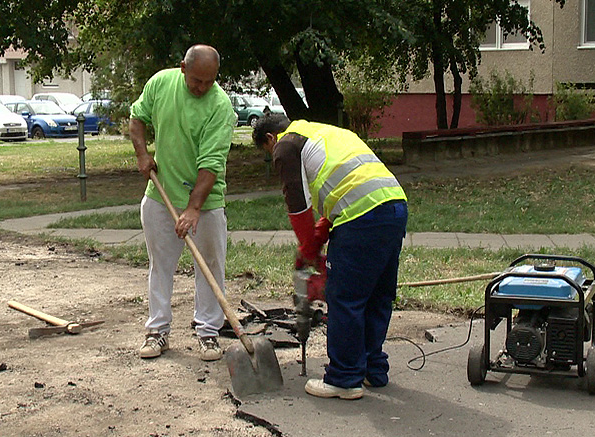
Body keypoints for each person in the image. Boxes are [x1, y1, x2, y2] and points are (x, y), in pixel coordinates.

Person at [253, 115, 408, 400]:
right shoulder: (326, 133)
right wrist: (318, 237)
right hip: (394, 207)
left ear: (270, 138)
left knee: (344, 298)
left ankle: (344, 378)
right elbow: (345, 191)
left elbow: (298, 207)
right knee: (376, 295)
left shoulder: (285, 145)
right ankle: (373, 369)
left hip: (359, 218)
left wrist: (308, 250)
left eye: (268, 150)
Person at [130, 45, 237, 361]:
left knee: (210, 266)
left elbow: (211, 163)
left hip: (207, 201)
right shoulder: (161, 83)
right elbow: (137, 119)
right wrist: (142, 154)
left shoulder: (220, 106)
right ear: (183, 68)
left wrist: (194, 208)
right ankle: (157, 331)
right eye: (196, 81)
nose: (202, 88)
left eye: (209, 81)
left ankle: (208, 333)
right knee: (160, 265)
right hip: (160, 196)